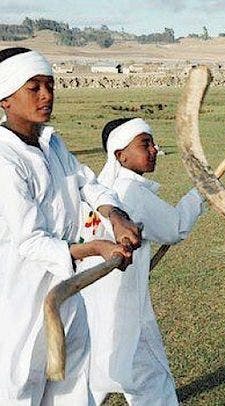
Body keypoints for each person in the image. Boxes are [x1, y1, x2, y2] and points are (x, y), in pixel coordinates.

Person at [0, 47, 141, 405]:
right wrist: (96, 248)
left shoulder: (52, 143)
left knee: (73, 387)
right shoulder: (4, 159)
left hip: (64, 289)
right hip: (18, 296)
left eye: (50, 85)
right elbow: (30, 243)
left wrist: (116, 217)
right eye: (34, 88)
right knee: (20, 388)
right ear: (5, 98)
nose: (47, 96)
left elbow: (86, 183)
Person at [78, 117, 205, 405]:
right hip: (124, 307)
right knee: (151, 378)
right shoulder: (130, 192)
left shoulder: (99, 193)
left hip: (92, 306)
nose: (154, 149)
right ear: (120, 155)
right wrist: (201, 192)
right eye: (144, 144)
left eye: (153, 143)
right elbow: (175, 228)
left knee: (95, 372)